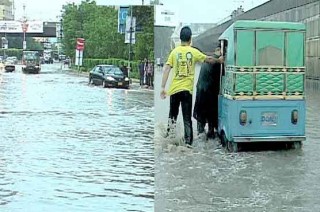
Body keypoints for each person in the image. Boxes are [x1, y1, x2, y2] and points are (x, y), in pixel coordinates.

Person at [160, 26, 224, 146]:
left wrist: (163, 88)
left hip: (174, 90)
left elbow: (167, 69)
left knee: (172, 117)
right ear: (190, 39)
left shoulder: (174, 52)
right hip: (186, 92)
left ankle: (168, 140)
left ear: (180, 39)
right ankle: (188, 145)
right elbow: (208, 59)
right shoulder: (193, 52)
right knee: (187, 120)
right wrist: (219, 60)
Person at [193, 45, 223, 139]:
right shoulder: (218, 62)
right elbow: (219, 82)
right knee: (211, 120)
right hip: (209, 92)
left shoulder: (209, 59)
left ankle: (201, 137)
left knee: (201, 121)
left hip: (200, 90)